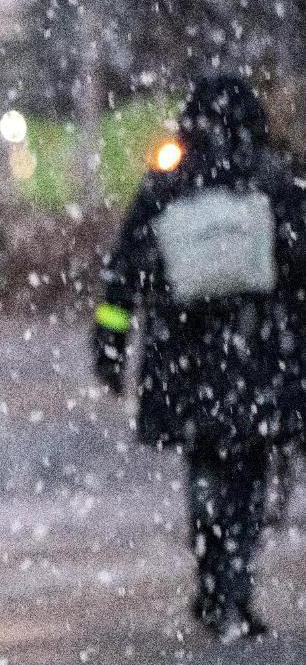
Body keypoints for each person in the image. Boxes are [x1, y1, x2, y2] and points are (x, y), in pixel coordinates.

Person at [92, 74, 306, 641]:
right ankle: (234, 584)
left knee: (206, 465)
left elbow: (122, 274)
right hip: (257, 356)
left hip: (184, 360)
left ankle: (213, 581)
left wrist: (110, 348)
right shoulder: (272, 185)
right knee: (249, 474)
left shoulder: (167, 187)